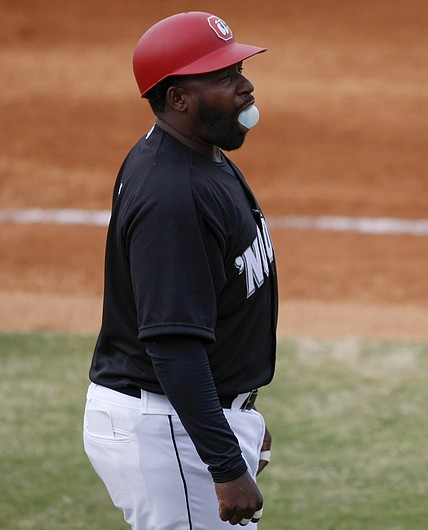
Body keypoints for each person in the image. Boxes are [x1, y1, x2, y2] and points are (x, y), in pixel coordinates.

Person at [83, 11, 278, 529]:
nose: (245, 86)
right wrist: (225, 461)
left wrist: (241, 414)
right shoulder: (175, 197)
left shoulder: (199, 155)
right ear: (178, 98)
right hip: (166, 430)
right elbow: (172, 344)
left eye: (238, 69)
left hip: (182, 420)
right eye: (225, 77)